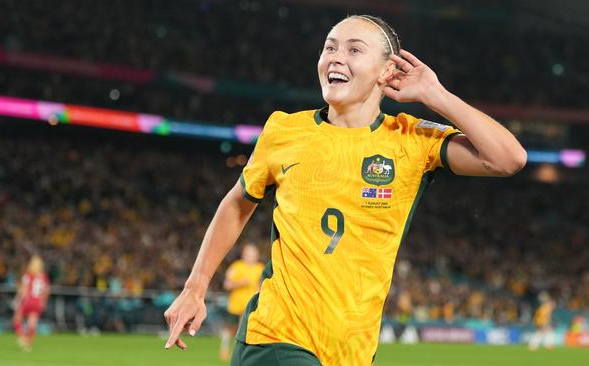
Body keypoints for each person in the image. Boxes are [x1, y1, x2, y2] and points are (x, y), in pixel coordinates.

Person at [164, 14, 526, 365]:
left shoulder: (413, 140)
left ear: (388, 71)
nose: (336, 57)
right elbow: (238, 202)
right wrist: (195, 287)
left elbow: (508, 159)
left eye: (354, 50)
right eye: (330, 48)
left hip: (353, 350)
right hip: (276, 336)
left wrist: (437, 95)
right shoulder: (284, 131)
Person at [219, 243, 264, 361]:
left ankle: (240, 354)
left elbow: (263, 285)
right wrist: (240, 283)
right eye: (248, 253)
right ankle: (224, 350)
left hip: (251, 306)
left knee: (245, 330)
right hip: (235, 305)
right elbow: (227, 285)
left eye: (253, 254)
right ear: (243, 254)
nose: (251, 256)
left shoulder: (260, 268)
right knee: (231, 329)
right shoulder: (236, 267)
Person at [13, 255, 50, 351]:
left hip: (28, 300)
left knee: (17, 318)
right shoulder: (43, 276)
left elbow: (23, 290)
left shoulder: (28, 275)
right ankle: (29, 345)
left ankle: (22, 337)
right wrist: (44, 302)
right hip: (38, 302)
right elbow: (46, 291)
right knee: (32, 323)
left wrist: (18, 299)